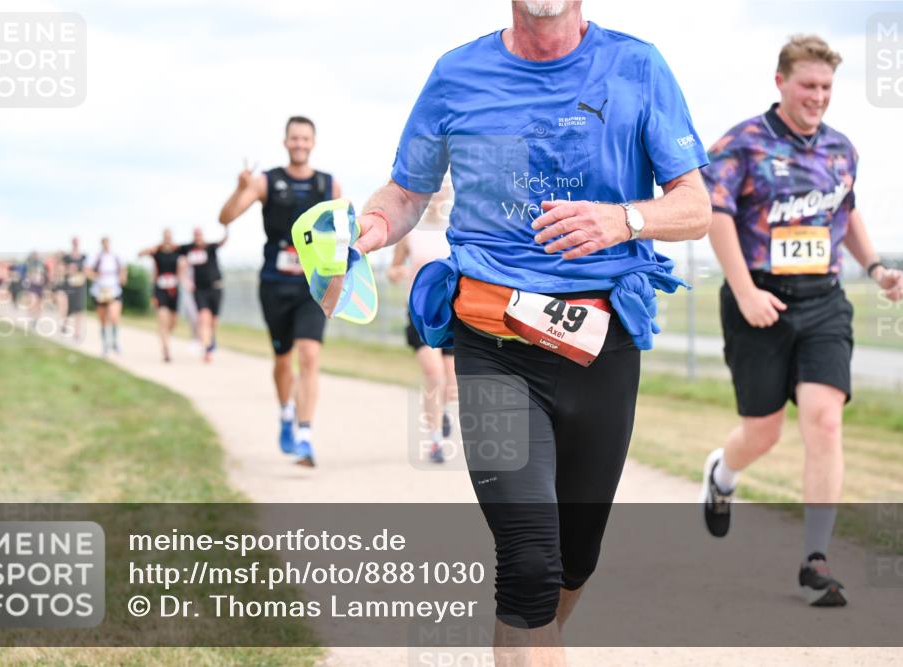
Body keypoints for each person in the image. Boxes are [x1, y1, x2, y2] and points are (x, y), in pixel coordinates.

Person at [352, 2, 711, 663]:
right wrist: (368, 229)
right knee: (528, 559)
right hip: (493, 344)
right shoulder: (456, 75)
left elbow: (696, 207)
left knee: (574, 558)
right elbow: (406, 192)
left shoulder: (638, 66)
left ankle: (530, 638)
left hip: (601, 344)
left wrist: (623, 219)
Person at [699, 34, 903, 608]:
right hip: (759, 300)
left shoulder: (841, 149)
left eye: (826, 87)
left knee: (824, 420)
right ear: (781, 82)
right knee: (762, 431)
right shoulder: (740, 143)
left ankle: (816, 560)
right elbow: (716, 217)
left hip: (824, 301)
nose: (818, 97)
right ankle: (722, 474)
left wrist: (878, 266)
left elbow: (848, 212)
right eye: (808, 85)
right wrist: (744, 293)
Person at [218, 116, 344, 467]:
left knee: (310, 355)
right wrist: (239, 188)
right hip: (275, 283)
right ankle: (286, 411)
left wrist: (339, 281)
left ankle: (305, 435)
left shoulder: (329, 185)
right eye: (294, 138)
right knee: (282, 359)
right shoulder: (266, 182)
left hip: (312, 285)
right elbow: (225, 218)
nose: (300, 143)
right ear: (285, 142)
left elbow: (342, 237)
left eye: (305, 138)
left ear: (313, 142)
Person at [387, 175, 457, 464]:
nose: (440, 192)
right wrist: (397, 274)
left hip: (453, 312)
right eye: (435, 185)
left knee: (452, 383)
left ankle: (440, 413)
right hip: (419, 312)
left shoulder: (458, 227)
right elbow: (393, 269)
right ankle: (435, 441)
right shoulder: (410, 228)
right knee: (434, 374)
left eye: (446, 186)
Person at [178, 226, 227, 363]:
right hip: (199, 290)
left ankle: (211, 338)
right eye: (195, 234)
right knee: (204, 318)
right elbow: (173, 251)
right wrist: (185, 280)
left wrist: (226, 228)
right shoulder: (188, 248)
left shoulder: (210, 247)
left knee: (214, 321)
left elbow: (223, 242)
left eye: (199, 234)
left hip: (216, 287)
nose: (197, 237)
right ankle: (207, 350)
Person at [139, 229, 185, 362]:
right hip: (160, 289)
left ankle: (165, 336)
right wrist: (151, 248)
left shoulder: (178, 251)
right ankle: (166, 350)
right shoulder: (157, 252)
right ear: (163, 238)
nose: (168, 239)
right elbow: (140, 254)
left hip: (174, 290)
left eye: (169, 237)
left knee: (173, 322)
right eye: (166, 237)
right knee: (162, 318)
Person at [86, 237, 127, 356]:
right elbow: (87, 271)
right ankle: (105, 344)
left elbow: (123, 270)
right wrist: (96, 276)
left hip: (114, 291)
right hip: (100, 292)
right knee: (103, 320)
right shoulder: (96, 257)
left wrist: (122, 278)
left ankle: (114, 341)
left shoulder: (116, 256)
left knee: (114, 316)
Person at [59, 237, 88, 343]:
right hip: (69, 285)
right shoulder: (66, 257)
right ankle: (64, 325)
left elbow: (87, 270)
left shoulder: (84, 257)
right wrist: (69, 269)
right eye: (74, 242)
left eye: (77, 242)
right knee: (68, 308)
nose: (75, 244)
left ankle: (77, 333)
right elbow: (61, 270)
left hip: (80, 286)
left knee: (79, 309)